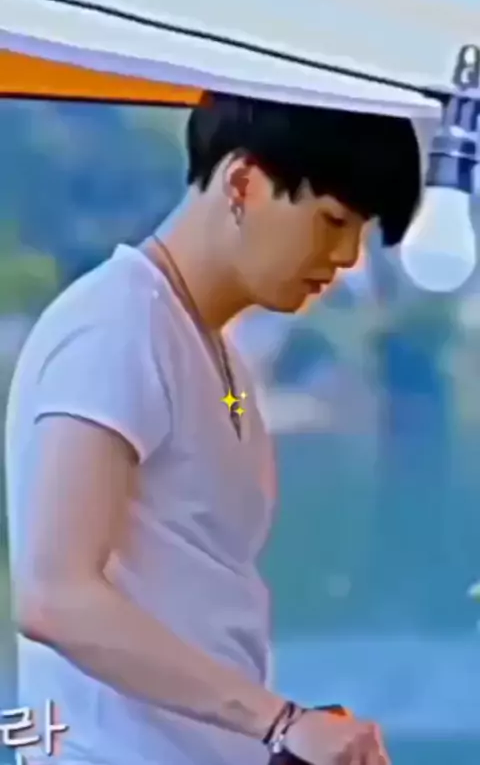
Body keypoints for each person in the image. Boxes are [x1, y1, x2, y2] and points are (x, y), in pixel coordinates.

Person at [5, 92, 422, 765]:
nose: (347, 256)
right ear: (243, 182)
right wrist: (281, 721)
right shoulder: (116, 326)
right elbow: (54, 597)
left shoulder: (213, 351)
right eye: (332, 220)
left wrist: (288, 731)